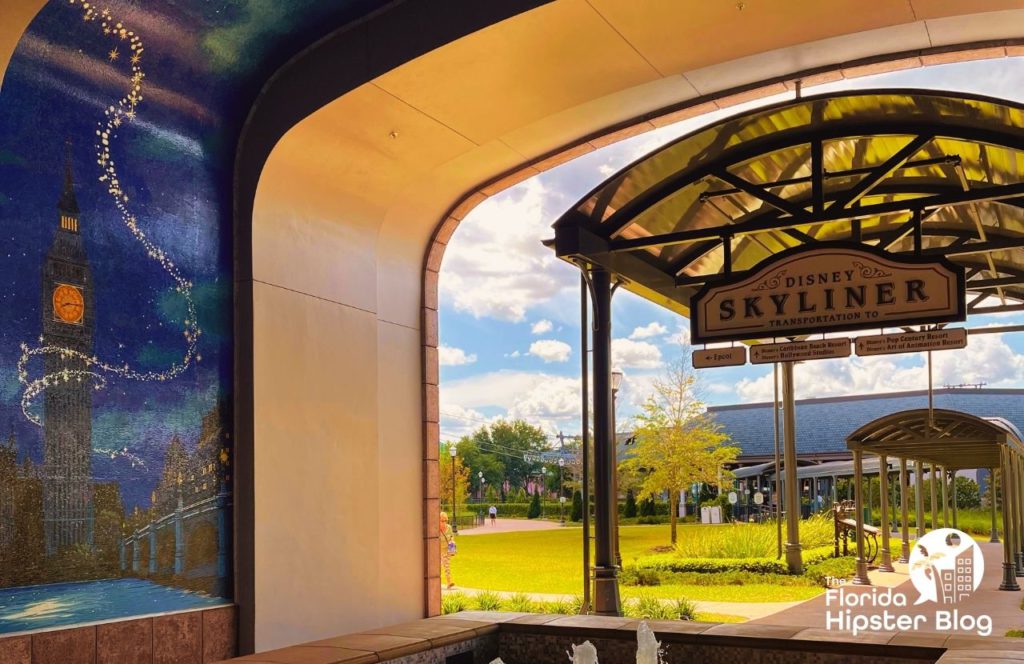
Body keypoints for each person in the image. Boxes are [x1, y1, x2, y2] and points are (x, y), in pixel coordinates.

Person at [439, 511, 456, 589]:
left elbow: (452, 535)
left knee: (446, 566)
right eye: (442, 521)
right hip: (438, 551)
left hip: (447, 550)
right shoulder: (436, 529)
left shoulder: (449, 527)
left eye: (446, 520)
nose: (444, 522)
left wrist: (452, 540)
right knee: (437, 567)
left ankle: (449, 582)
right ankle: (437, 582)